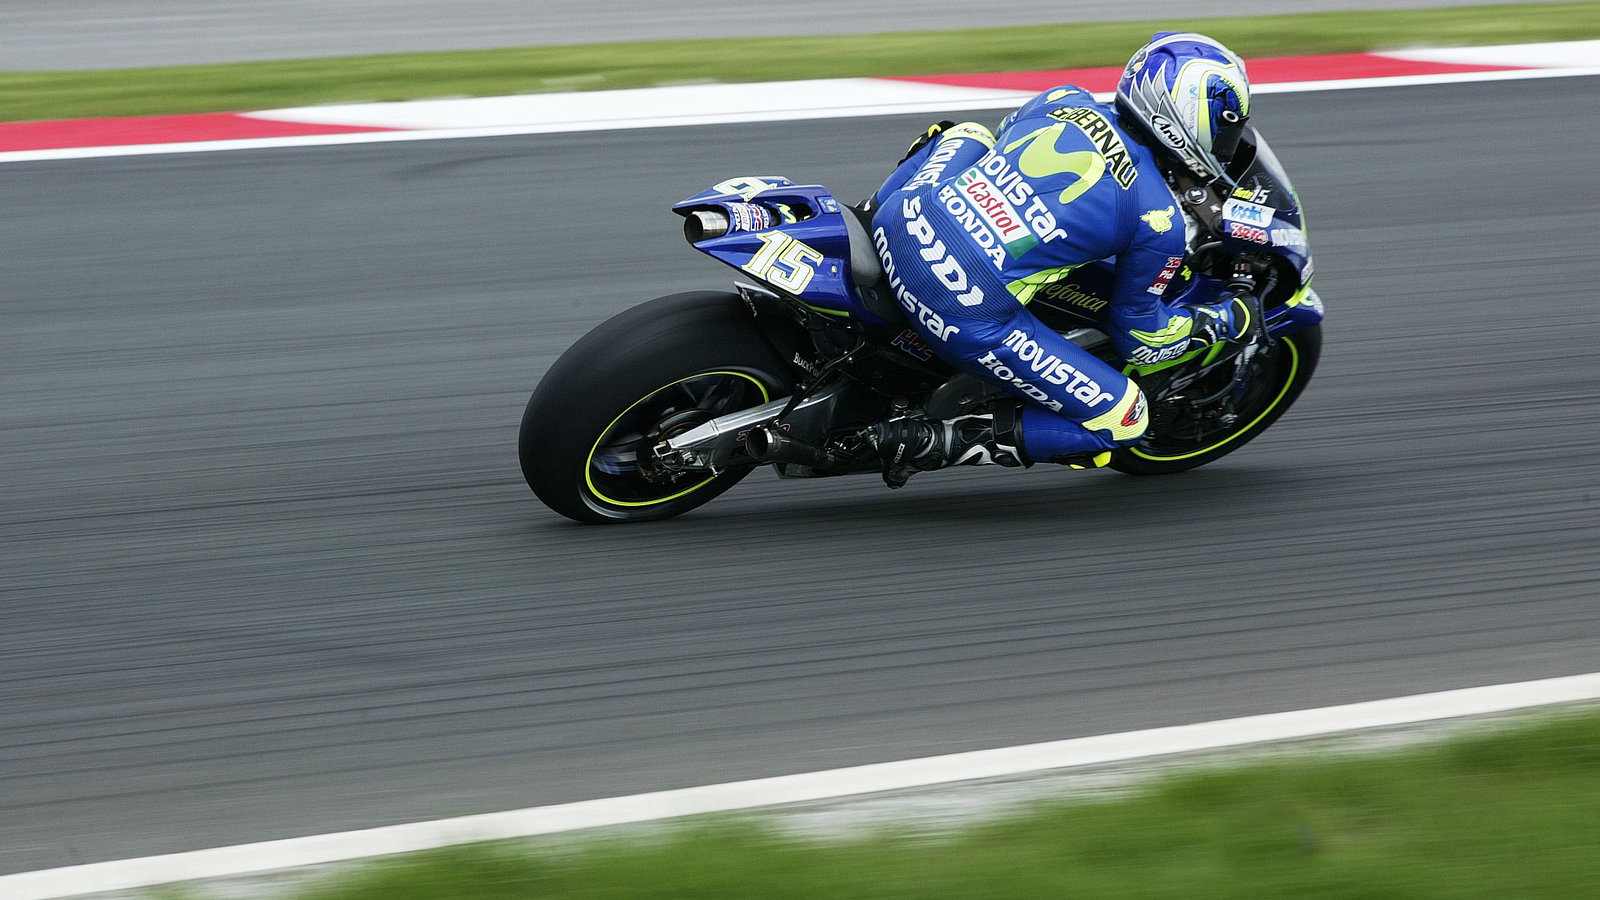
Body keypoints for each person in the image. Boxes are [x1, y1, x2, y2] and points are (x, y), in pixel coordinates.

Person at [866, 32, 1262, 486]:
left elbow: (1005, 147)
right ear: (1184, 119)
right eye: (1226, 128)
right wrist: (1225, 321)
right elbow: (1142, 341)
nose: (1228, 141)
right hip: (960, 307)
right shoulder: (1158, 220)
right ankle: (922, 441)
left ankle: (860, 217)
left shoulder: (1062, 97)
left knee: (968, 133)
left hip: (898, 218)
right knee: (1124, 419)